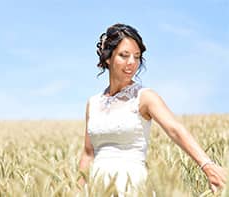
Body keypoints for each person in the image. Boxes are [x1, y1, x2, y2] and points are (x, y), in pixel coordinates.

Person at [78, 23, 227, 195]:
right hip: (96, 189)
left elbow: (175, 130)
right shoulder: (93, 103)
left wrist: (207, 166)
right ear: (107, 58)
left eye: (137, 56)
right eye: (124, 55)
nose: (132, 63)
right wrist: (76, 191)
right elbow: (88, 154)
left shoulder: (145, 97)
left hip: (132, 187)